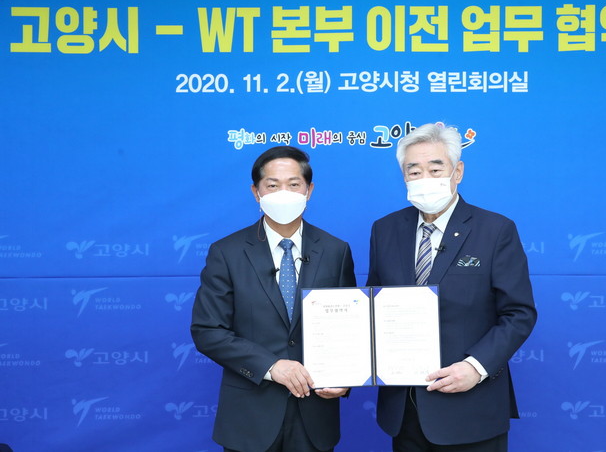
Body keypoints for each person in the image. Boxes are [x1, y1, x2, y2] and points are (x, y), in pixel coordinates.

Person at [367, 122, 537, 452]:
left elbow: (519, 314)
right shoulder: (385, 229)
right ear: (404, 176)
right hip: (405, 411)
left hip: (471, 408)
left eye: (435, 169)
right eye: (414, 171)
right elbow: (373, 307)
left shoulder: (495, 230)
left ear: (457, 171)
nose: (424, 178)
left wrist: (475, 367)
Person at [191, 146, 356, 452]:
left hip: (315, 415)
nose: (284, 193)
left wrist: (345, 377)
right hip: (250, 417)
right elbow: (208, 331)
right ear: (256, 192)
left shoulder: (336, 250)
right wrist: (271, 366)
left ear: (309, 190)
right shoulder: (226, 252)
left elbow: (349, 327)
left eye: (294, 184)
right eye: (272, 185)